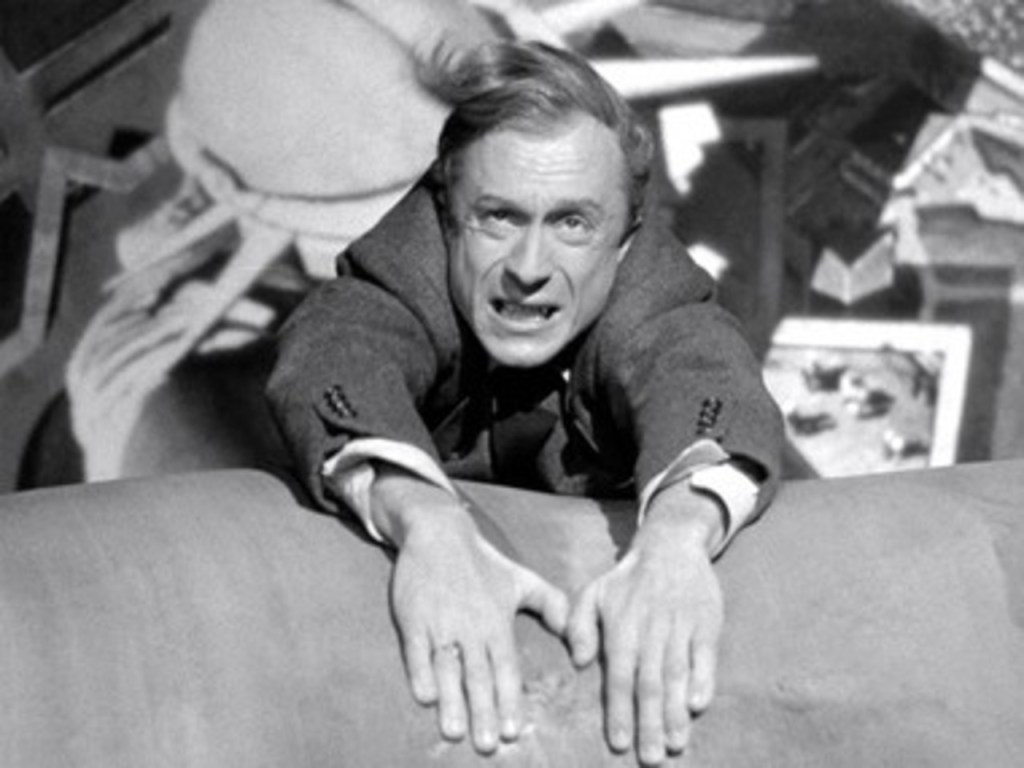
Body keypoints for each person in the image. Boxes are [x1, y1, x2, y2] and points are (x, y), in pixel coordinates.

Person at [267, 41, 782, 765]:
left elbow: (703, 376)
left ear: (625, 242)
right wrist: (426, 519)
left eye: (572, 224)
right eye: (499, 218)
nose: (529, 269)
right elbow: (336, 349)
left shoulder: (652, 293)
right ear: (448, 217)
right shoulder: (405, 269)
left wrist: (677, 535)